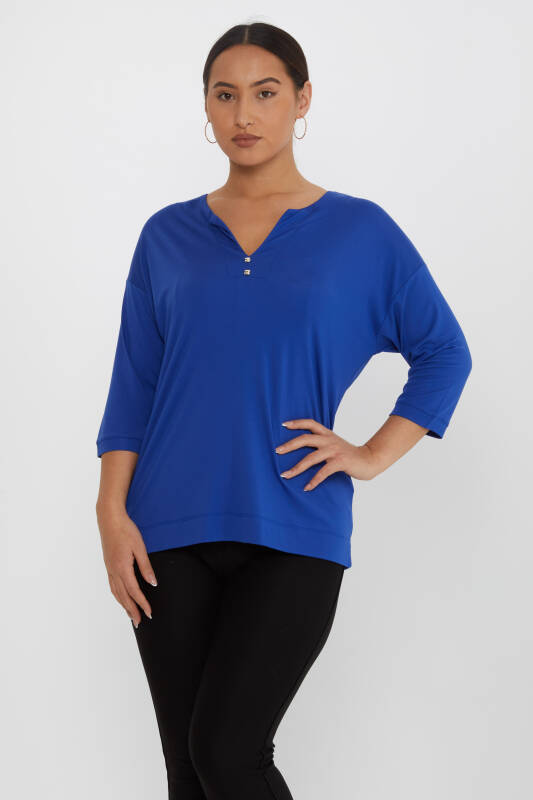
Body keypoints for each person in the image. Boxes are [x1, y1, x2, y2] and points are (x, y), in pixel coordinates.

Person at [95, 21, 472, 800]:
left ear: (301, 101)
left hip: (295, 524)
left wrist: (369, 453)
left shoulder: (360, 233)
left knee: (227, 753)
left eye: (265, 93)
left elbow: (443, 351)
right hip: (166, 529)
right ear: (205, 106)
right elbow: (134, 384)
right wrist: (110, 511)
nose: (244, 114)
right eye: (224, 94)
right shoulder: (165, 235)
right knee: (188, 772)